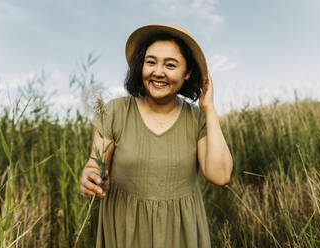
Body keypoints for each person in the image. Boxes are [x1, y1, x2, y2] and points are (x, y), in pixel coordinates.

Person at [79, 24, 233, 248]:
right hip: (126, 230)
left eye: (170, 65)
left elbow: (220, 175)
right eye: (150, 62)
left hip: (179, 233)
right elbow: (94, 166)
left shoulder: (195, 119)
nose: (158, 72)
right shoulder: (116, 112)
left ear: (187, 73)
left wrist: (208, 109)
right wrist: (89, 179)